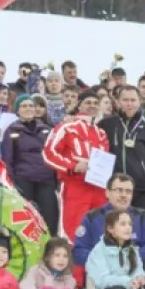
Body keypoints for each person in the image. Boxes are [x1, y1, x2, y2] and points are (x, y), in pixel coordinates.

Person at [72, 173, 145, 286]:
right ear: (107, 192)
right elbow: (78, 252)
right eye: (119, 190)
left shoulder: (142, 216)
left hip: (134, 273)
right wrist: (108, 260)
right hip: (101, 276)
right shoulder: (92, 217)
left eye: (128, 191)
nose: (124, 195)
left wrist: (126, 258)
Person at [42, 91, 110, 239]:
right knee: (73, 230)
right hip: (75, 185)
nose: (92, 106)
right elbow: (48, 153)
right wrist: (73, 166)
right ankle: (72, 262)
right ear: (79, 105)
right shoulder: (67, 127)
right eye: (88, 102)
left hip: (99, 188)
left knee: (99, 232)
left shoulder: (101, 133)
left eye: (95, 103)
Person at [97, 85, 145, 215]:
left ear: (139, 102)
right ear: (118, 102)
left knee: (139, 230)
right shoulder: (106, 125)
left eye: (133, 100)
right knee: (114, 228)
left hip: (142, 189)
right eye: (125, 100)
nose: (129, 104)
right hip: (115, 188)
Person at [1, 95, 59, 237]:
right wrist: (13, 183)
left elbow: (53, 154)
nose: (28, 109)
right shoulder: (12, 131)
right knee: (26, 219)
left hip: (46, 180)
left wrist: (56, 179)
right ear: (17, 111)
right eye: (24, 106)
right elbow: (7, 159)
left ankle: (49, 250)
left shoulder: (46, 130)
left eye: (31, 106)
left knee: (50, 218)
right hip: (24, 181)